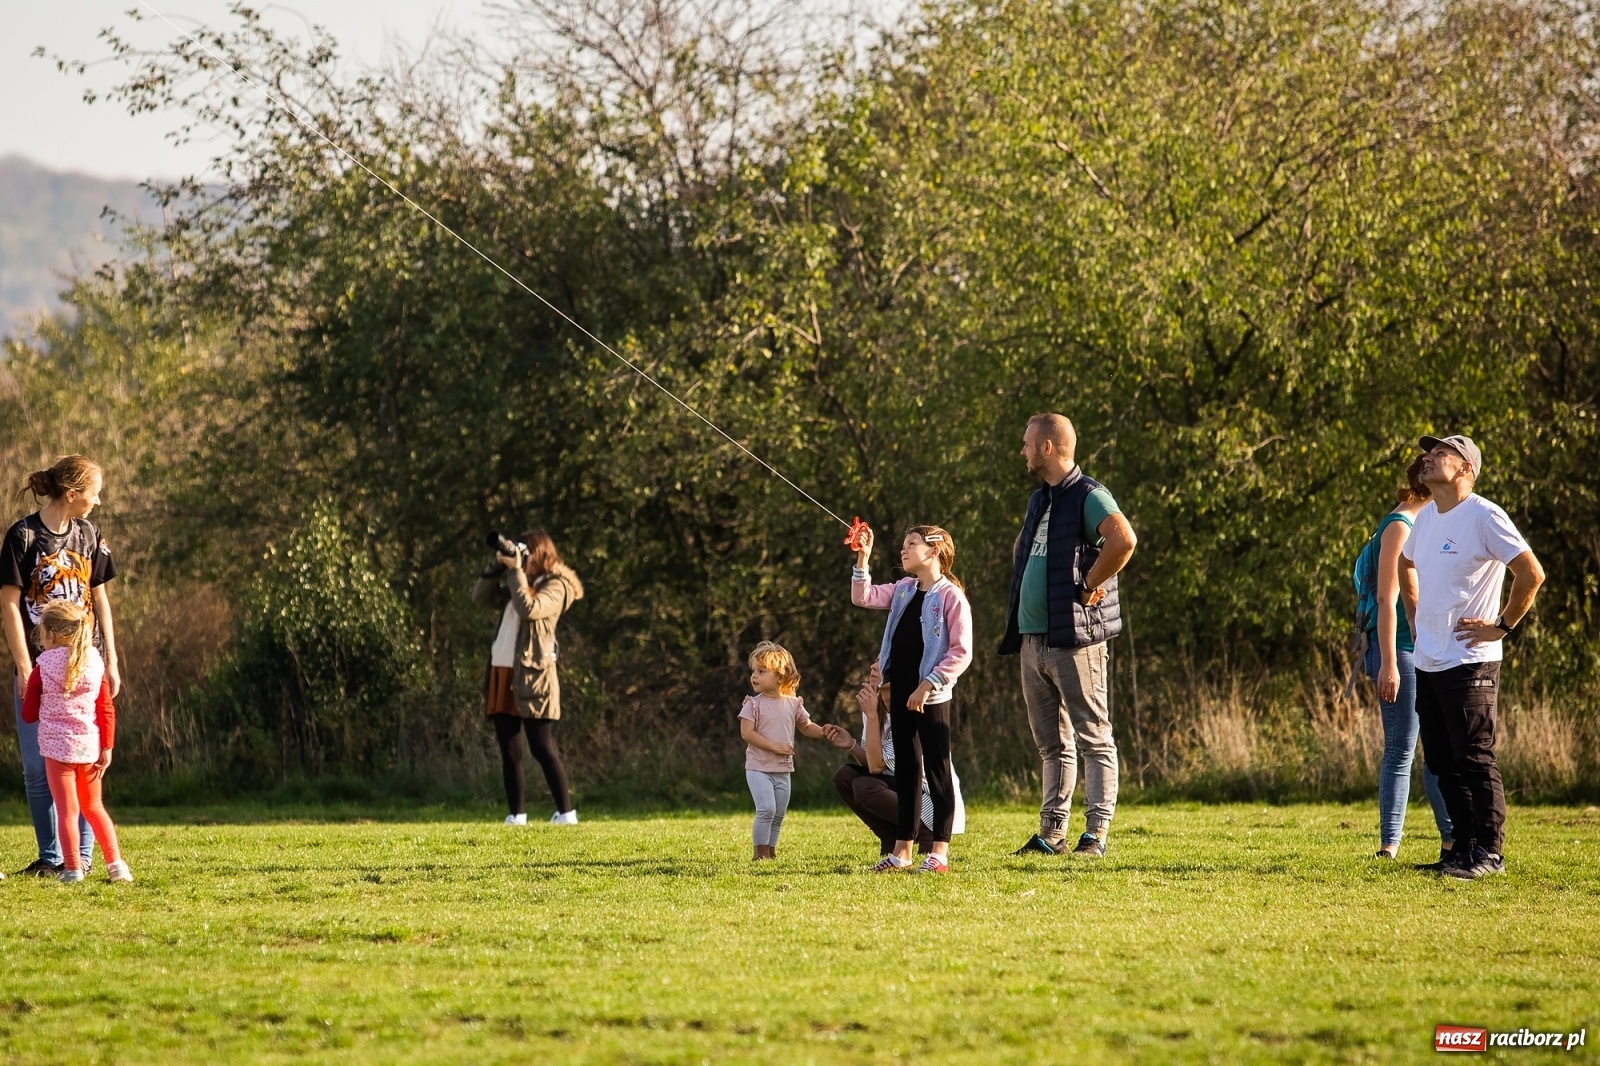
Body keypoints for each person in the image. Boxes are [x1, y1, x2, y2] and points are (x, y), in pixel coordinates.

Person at [1399, 434, 1544, 880]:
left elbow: (1531, 573)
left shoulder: (1485, 515)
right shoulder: (1426, 517)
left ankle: (1490, 854)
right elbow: (1405, 562)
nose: (1428, 458)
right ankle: (1460, 850)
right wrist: (1414, 613)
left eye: (1441, 453)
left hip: (1471, 659)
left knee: (1474, 758)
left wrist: (1502, 625)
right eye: (1429, 452)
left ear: (1465, 468)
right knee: (1442, 762)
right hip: (1429, 659)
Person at [1000, 414, 1137, 857]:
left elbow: (1123, 540)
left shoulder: (1088, 494)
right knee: (1052, 746)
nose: (1021, 451)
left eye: (1027, 444)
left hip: (1074, 640)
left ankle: (1095, 835)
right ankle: (1051, 834)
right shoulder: (1040, 499)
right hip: (1032, 640)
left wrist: (1092, 582)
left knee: (1093, 738)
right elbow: (1023, 548)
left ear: (1047, 447)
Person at [1, 456, 118, 877]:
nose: (97, 501)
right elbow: (9, 604)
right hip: (40, 669)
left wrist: (112, 659)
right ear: (71, 494)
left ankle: (81, 858)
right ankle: (51, 857)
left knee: (85, 763)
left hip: (86, 667)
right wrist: (23, 666)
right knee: (38, 768)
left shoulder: (89, 534)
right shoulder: (23, 536)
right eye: (93, 493)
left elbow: (100, 598)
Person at [849, 524, 973, 874]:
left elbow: (961, 652)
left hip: (930, 697)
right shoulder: (904, 589)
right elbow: (862, 597)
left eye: (912, 544)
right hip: (901, 694)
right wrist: (863, 558)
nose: (903, 550)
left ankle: (939, 854)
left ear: (934, 551)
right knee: (906, 771)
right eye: (904, 544)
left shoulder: (950, 596)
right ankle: (902, 853)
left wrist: (928, 685)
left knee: (937, 769)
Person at [1355, 455, 1454, 861]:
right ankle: (1390, 844)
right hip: (1400, 650)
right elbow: (1386, 599)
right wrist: (1390, 663)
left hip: (1422, 648)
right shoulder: (1400, 525)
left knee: (1436, 749)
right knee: (1401, 748)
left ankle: (1452, 838)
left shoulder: (1419, 524)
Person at [471, 529, 584, 826]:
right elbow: (480, 597)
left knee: (541, 747)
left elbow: (529, 609)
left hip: (533, 676)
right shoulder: (519, 580)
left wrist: (516, 572)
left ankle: (566, 813)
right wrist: (498, 565)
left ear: (541, 553)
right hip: (502, 669)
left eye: (527, 552)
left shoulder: (557, 586)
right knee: (509, 750)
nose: (524, 557)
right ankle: (516, 815)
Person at [20, 601, 132, 883]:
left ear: (51, 634)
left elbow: (29, 714)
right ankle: (116, 865)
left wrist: (32, 693)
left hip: (57, 751)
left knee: (67, 812)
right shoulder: (94, 663)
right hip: (89, 747)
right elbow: (105, 708)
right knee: (94, 807)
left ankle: (72, 869)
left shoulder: (42, 667)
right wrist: (107, 745)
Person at [831, 661, 966, 856]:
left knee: (865, 786)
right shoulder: (876, 708)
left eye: (882, 661)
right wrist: (851, 744)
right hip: (902, 786)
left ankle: (925, 833)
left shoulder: (909, 709)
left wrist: (871, 715)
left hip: (929, 801)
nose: (873, 667)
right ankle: (890, 838)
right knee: (845, 776)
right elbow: (872, 762)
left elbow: (876, 767)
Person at [739, 641, 834, 860]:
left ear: (780, 677)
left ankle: (770, 852)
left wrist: (824, 732)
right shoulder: (753, 704)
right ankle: (760, 853)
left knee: (778, 814)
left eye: (761, 671)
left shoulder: (793, 704)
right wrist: (774, 746)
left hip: (783, 769)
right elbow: (747, 733)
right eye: (754, 671)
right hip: (758, 768)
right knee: (766, 809)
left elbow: (806, 726)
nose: (754, 676)